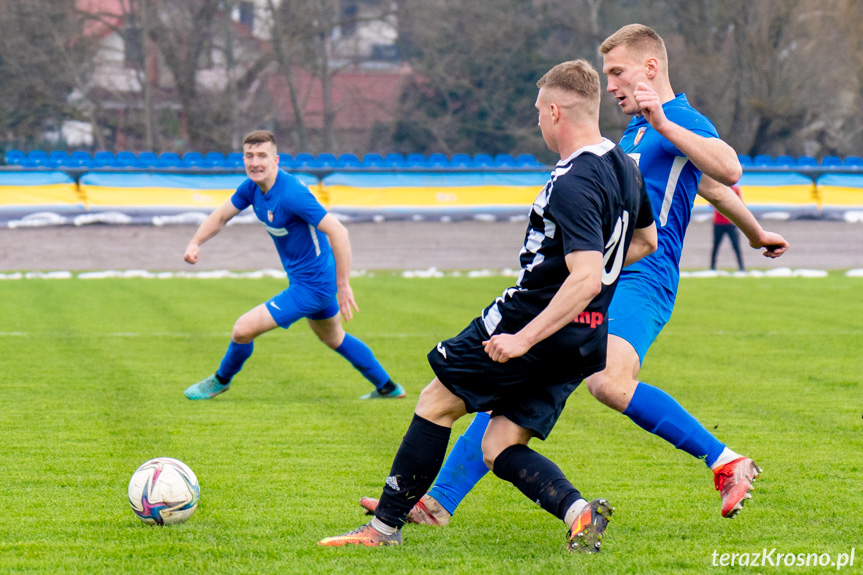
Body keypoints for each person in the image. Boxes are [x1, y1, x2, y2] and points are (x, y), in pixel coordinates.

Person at [359, 23, 791, 527]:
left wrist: (666, 125)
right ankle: (437, 503)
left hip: (643, 277)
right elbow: (711, 190)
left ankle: (726, 461)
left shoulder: (679, 119)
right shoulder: (634, 131)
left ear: (650, 69)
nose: (610, 85)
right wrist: (757, 234)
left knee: (608, 382)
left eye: (617, 72)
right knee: (513, 376)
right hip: (610, 275)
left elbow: (729, 170)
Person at [318, 59, 657, 551]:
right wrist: (584, 279)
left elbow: (584, 278)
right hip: (583, 336)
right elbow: (645, 240)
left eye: (539, 111)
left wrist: (524, 336)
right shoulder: (623, 166)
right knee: (499, 446)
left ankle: (381, 531)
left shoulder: (574, 181)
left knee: (436, 401)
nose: (537, 120)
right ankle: (579, 513)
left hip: (530, 325)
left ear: (557, 111)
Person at [182, 130, 404, 401]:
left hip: (314, 286)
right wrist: (195, 243)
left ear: (276, 160)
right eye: (250, 156)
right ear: (243, 159)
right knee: (334, 338)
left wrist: (343, 285)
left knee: (242, 329)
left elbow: (339, 232)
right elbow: (220, 216)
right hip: (307, 282)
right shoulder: (251, 188)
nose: (256, 163)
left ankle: (220, 380)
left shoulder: (292, 194)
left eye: (262, 156)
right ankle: (388, 388)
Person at [710, 184, 746, 271]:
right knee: (716, 245)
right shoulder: (717, 189)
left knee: (736, 245)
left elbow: (740, 205)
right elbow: (711, 203)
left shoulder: (735, 189)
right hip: (718, 222)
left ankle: (741, 267)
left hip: (731, 223)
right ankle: (712, 268)